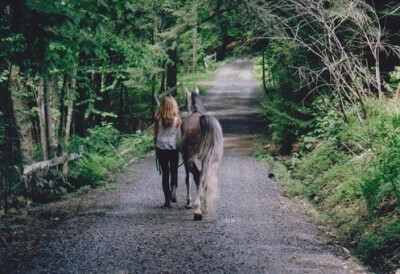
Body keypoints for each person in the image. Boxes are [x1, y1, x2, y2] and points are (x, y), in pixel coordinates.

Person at [153, 96, 182, 207]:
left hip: (161, 148)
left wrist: (155, 147)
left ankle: (167, 200)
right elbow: (179, 136)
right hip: (173, 148)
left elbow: (155, 135)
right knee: (174, 171)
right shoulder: (177, 119)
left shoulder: (158, 118)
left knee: (165, 172)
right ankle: (174, 190)